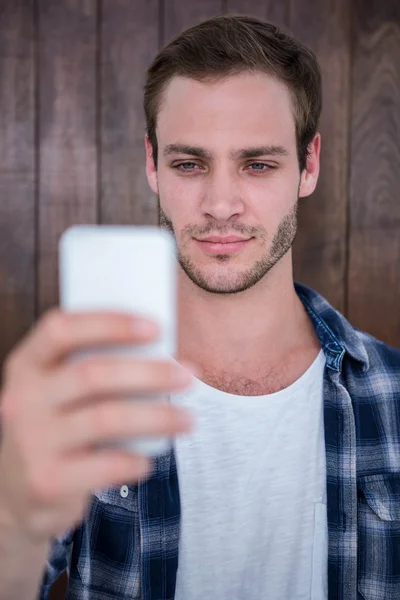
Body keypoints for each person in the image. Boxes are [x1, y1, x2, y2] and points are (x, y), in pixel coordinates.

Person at [0, 14, 399, 600]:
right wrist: (14, 517)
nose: (219, 204)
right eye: (190, 164)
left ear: (308, 166)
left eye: (257, 164)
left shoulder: (392, 393)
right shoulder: (85, 394)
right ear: (152, 164)